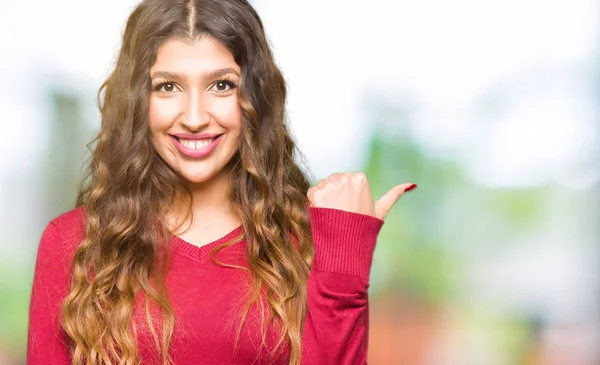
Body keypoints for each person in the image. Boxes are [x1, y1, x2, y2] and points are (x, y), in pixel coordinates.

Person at [27, 0, 417, 364]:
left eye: (221, 85)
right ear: (136, 103)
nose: (195, 117)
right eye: (168, 86)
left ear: (255, 96)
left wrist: (344, 251)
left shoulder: (310, 241)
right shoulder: (72, 242)